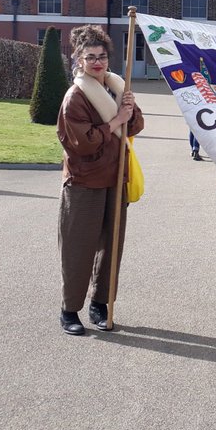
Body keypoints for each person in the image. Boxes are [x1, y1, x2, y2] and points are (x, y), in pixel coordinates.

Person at [55, 25, 144, 336]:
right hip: (85, 182)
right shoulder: (75, 97)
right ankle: (69, 310)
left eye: (102, 56)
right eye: (89, 57)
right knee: (79, 247)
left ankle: (100, 304)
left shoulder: (116, 87)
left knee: (112, 246)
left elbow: (136, 126)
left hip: (115, 178)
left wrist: (129, 111)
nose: (97, 62)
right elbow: (83, 142)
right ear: (78, 60)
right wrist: (116, 120)